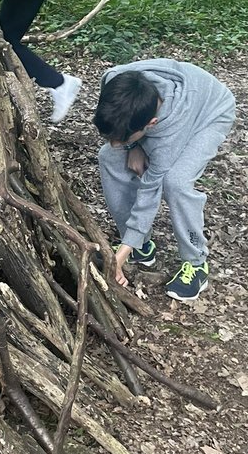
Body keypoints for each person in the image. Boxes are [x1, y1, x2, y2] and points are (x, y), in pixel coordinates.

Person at [94, 60, 235, 302]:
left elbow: (150, 191)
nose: (115, 143)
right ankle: (140, 246)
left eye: (123, 139)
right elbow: (117, 134)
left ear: (151, 124)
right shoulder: (114, 78)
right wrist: (131, 145)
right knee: (109, 156)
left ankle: (196, 263)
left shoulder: (170, 132)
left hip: (211, 113)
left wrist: (118, 259)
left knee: (175, 181)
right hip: (164, 115)